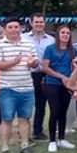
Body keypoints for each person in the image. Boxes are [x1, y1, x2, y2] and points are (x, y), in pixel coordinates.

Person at [0, 17, 39, 153]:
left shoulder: (28, 44)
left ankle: (24, 145)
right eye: (10, 27)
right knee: (7, 119)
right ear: (4, 29)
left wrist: (33, 63)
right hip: (7, 88)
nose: (13, 30)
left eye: (16, 27)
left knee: (25, 118)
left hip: (27, 87)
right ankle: (5, 148)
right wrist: (13, 62)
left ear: (21, 28)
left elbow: (35, 64)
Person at [42, 25, 77, 152]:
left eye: (68, 33)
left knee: (63, 111)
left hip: (67, 84)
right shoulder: (50, 49)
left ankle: (62, 138)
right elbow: (45, 67)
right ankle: (52, 140)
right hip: (52, 83)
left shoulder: (72, 50)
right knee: (55, 110)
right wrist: (61, 76)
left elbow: (75, 67)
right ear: (58, 35)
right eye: (63, 32)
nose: (65, 35)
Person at [22, 13, 55, 141]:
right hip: (27, 74)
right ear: (31, 23)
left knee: (41, 104)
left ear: (44, 23)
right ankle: (24, 132)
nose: (39, 24)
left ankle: (38, 130)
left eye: (41, 22)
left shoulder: (51, 40)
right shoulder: (23, 38)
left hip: (44, 75)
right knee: (26, 104)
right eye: (36, 22)